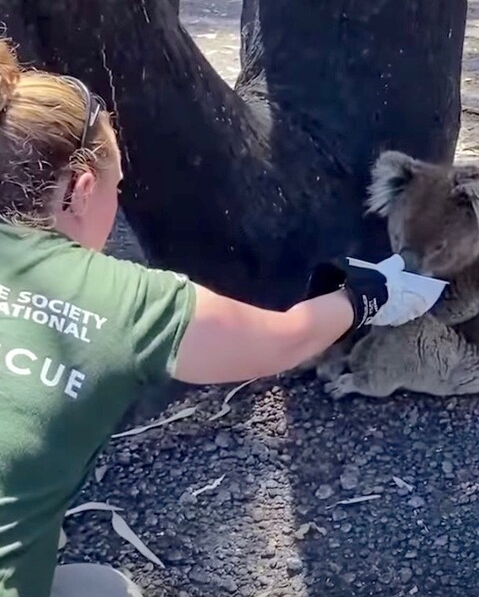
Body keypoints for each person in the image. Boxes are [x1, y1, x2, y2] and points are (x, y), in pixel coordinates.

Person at [0, 38, 438, 597]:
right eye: (118, 188)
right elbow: (281, 342)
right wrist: (371, 295)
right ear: (82, 192)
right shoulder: (122, 298)